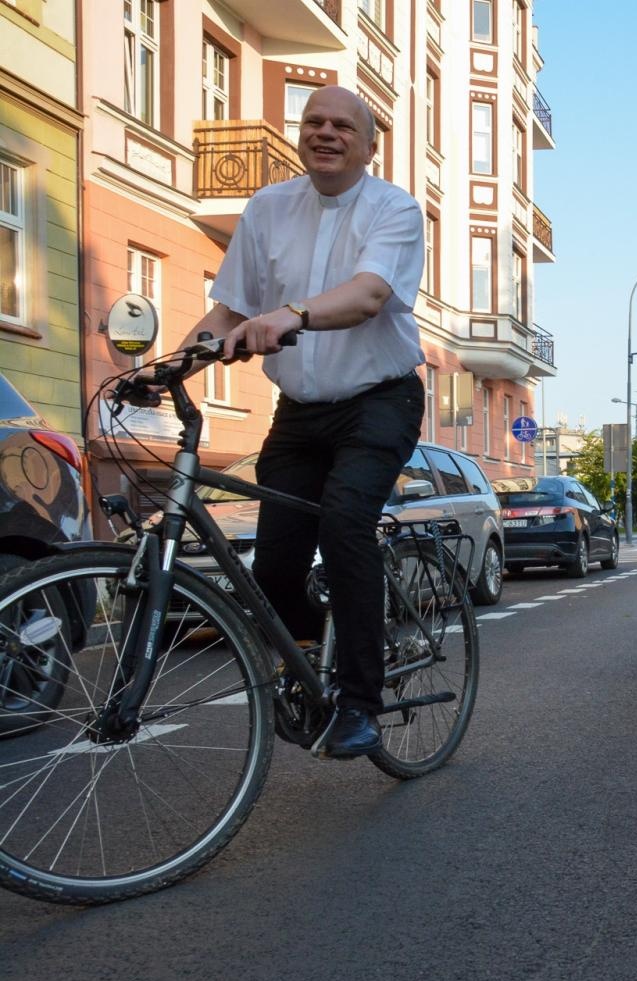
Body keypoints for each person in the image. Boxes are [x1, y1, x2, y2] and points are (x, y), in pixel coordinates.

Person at [180, 86, 425, 757]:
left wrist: (291, 315)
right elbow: (228, 310)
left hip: (380, 399)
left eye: (343, 125)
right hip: (299, 412)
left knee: (345, 524)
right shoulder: (267, 208)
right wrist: (169, 366)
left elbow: (370, 294)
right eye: (313, 121)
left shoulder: (394, 209)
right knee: (277, 568)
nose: (326, 132)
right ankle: (320, 650)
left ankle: (360, 702)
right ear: (300, 134)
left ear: (369, 145)